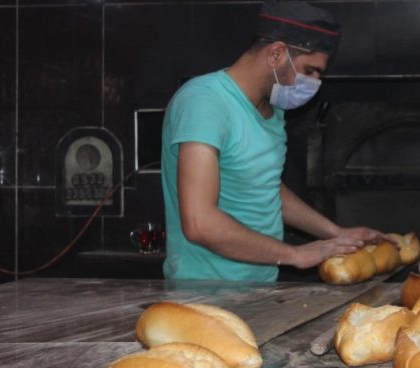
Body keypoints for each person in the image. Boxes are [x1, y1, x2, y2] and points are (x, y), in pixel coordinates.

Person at [161, 1, 386, 282]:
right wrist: (295, 254)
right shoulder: (205, 102)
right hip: (205, 292)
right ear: (276, 54)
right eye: (310, 71)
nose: (315, 83)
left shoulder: (272, 110)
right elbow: (199, 223)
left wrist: (336, 233)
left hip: (259, 288)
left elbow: (264, 187)